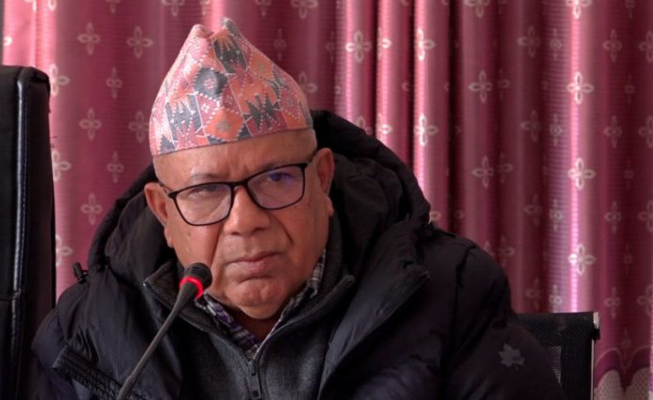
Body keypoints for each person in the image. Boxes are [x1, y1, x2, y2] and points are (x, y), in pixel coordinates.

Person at [33, 18, 565, 399]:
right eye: (206, 192)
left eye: (276, 178)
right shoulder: (86, 332)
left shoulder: (452, 293)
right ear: (163, 213)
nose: (245, 221)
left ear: (323, 179)